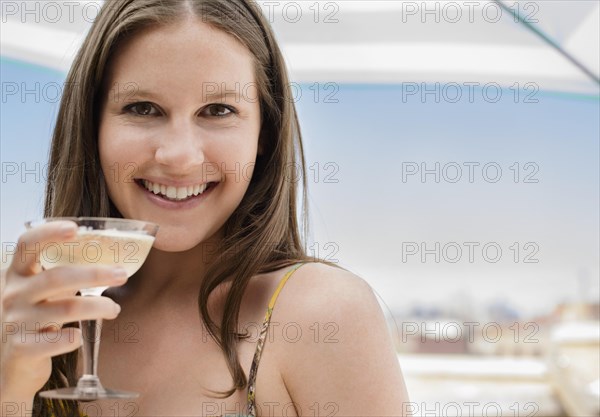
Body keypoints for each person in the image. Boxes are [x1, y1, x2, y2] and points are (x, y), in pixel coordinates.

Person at [0, 0, 411, 416]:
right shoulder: (38, 318)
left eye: (218, 111)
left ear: (264, 132)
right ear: (93, 126)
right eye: (142, 108)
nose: (179, 156)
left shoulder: (323, 315)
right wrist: (10, 390)